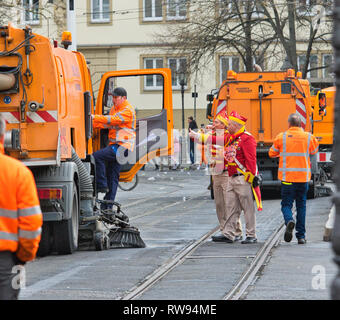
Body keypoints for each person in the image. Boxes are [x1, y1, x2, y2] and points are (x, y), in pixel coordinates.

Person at [0, 114, 43, 300]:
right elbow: (30, 225)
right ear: (3, 137)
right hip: (5, 262)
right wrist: (23, 257)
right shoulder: (18, 173)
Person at [189, 112, 243, 243]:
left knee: (229, 203)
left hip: (225, 172)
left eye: (217, 122)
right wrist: (196, 134)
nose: (214, 124)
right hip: (215, 171)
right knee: (219, 203)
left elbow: (207, 139)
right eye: (214, 122)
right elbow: (199, 139)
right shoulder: (212, 134)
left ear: (224, 126)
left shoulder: (227, 136)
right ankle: (224, 229)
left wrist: (199, 134)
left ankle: (236, 230)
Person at [269, 113, 319, 244]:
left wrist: (282, 152)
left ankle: (289, 220)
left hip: (287, 178)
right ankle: (301, 236)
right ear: (300, 124)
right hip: (303, 179)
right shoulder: (309, 137)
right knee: (301, 206)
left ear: (289, 124)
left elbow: (271, 153)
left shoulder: (282, 137)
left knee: (286, 204)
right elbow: (314, 151)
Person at [92, 87, 136, 203]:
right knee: (113, 177)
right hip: (117, 145)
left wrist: (94, 117)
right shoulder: (114, 109)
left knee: (97, 156)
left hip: (122, 147)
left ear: (124, 98)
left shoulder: (127, 110)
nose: (114, 99)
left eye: (116, 97)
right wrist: (95, 124)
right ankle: (108, 206)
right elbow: (110, 125)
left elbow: (113, 120)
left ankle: (101, 184)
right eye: (113, 97)